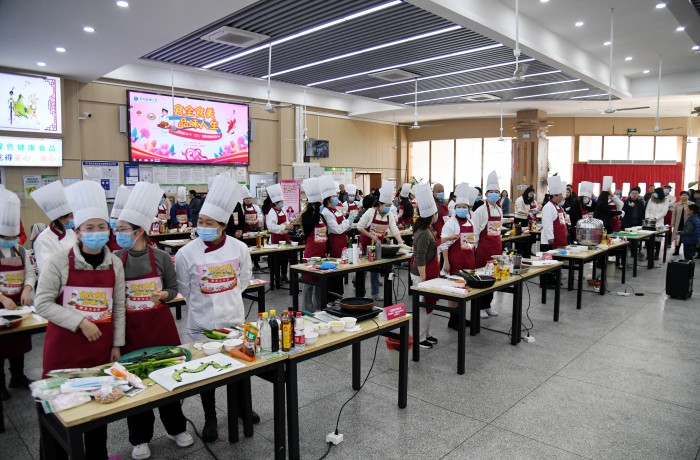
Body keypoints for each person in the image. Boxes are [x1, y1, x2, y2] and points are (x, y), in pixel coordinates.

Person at [34, 180, 126, 460]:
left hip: (100, 347)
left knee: (99, 408)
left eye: (101, 227)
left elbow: (118, 307)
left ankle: (98, 455)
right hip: (64, 347)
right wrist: (80, 322)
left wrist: (117, 344)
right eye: (89, 227)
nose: (96, 233)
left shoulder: (115, 263)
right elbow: (42, 303)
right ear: (77, 231)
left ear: (108, 230)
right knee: (60, 411)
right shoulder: (59, 261)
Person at [114, 181, 193, 460]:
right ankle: (139, 437)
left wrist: (163, 295)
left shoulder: (161, 257)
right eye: (117, 229)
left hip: (160, 327)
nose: (118, 234)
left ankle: (176, 427)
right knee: (135, 382)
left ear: (138, 231)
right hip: (131, 330)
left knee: (168, 376)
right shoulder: (115, 259)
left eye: (122, 229)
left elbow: (173, 289)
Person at [175, 175, 255, 443]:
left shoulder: (240, 248)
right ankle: (210, 416)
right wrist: (205, 302)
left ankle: (243, 408)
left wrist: (226, 297)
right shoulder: (187, 253)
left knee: (240, 366)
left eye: (209, 223)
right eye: (200, 222)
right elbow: (184, 288)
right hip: (202, 322)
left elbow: (244, 280)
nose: (203, 227)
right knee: (206, 372)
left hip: (234, 319)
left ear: (223, 226)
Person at [0, 188, 36, 401]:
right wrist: (3, 298)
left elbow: (30, 272)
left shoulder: (20, 250)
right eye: (5, 237)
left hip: (18, 304)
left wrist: (27, 288)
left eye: (13, 236)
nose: (10, 240)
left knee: (18, 342)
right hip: (1, 304)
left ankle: (17, 376)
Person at [356, 180, 405, 301]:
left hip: (378, 246)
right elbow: (359, 227)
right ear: (379, 204)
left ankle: (375, 293)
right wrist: (372, 236)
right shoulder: (370, 212)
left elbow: (394, 229)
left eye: (390, 205)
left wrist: (400, 241)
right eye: (386, 205)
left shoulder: (389, 215)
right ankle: (360, 295)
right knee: (362, 270)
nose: (388, 208)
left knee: (375, 270)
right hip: (365, 245)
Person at [440, 183, 478, 330]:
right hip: (455, 260)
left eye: (464, 207)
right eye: (459, 207)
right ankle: (453, 319)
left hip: (468, 260)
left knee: (464, 290)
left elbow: (473, 241)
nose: (462, 209)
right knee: (454, 290)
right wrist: (446, 262)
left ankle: (461, 317)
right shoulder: (451, 224)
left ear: (468, 208)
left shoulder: (471, 221)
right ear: (455, 208)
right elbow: (444, 245)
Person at [409, 184, 440, 348]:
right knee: (423, 307)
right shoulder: (423, 232)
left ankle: (426, 333)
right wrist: (423, 278)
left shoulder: (429, 228)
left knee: (429, 305)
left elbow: (433, 245)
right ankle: (419, 338)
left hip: (429, 272)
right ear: (432, 215)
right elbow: (419, 256)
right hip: (422, 274)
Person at [472, 171, 502, 318]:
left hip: (496, 248)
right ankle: (479, 307)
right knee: (482, 278)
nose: (494, 194)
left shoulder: (499, 210)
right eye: (491, 192)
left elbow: (498, 230)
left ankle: (488, 305)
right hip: (484, 249)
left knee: (493, 278)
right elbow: (475, 232)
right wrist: (475, 249)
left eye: (497, 192)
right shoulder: (480, 211)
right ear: (486, 194)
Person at [30, 180, 77, 273]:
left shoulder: (71, 233)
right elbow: (46, 269)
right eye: (70, 216)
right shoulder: (42, 240)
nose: (73, 219)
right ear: (60, 218)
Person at [319, 175, 353, 296]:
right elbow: (337, 229)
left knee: (341, 271)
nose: (336, 197)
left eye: (337, 195)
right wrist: (348, 221)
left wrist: (349, 222)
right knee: (334, 272)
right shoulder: (326, 212)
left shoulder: (337, 210)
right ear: (328, 198)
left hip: (342, 243)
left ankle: (339, 296)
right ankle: (332, 298)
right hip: (334, 244)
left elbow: (345, 227)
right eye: (334, 196)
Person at [300, 178, 326, 310]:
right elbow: (311, 225)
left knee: (319, 281)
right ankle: (306, 309)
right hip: (311, 251)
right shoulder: (306, 215)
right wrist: (316, 211)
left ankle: (318, 307)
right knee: (309, 280)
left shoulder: (321, 215)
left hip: (321, 251)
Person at [265, 183, 293, 284]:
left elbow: (286, 221)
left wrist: (289, 224)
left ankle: (284, 275)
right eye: (281, 201)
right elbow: (271, 227)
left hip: (285, 237)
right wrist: (285, 227)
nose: (282, 203)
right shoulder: (271, 213)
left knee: (285, 258)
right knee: (277, 260)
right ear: (275, 203)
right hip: (276, 239)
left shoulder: (283, 210)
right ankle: (276, 278)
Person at [541, 176, 568, 250]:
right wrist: (550, 237)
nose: (562, 197)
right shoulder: (548, 207)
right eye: (560, 195)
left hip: (560, 238)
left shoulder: (558, 207)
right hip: (550, 241)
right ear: (554, 196)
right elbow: (547, 224)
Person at [644, 187, 669, 261]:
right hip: (649, 221)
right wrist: (647, 217)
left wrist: (655, 218)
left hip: (659, 222)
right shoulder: (651, 199)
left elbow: (664, 212)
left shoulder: (665, 201)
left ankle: (656, 254)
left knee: (658, 239)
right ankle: (649, 254)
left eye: (655, 192)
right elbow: (647, 209)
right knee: (648, 239)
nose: (654, 193)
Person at [671, 191, 691, 256]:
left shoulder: (691, 204)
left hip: (688, 224)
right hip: (678, 223)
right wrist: (672, 223)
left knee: (687, 237)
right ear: (680, 196)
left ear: (688, 196)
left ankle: (687, 251)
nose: (684, 196)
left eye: (685, 195)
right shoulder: (677, 204)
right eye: (682, 195)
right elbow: (674, 214)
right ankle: (676, 250)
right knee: (677, 237)